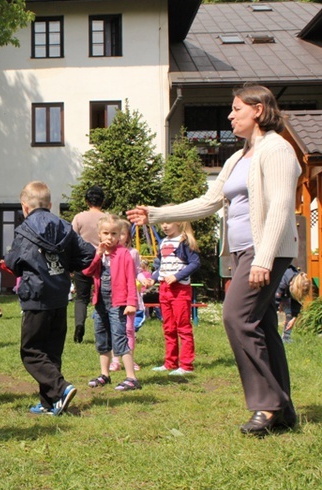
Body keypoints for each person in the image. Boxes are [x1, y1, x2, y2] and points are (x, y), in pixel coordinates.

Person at [128, 84, 301, 436]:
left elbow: (282, 206)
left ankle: (267, 405)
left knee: (236, 317)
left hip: (264, 250)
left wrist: (263, 259)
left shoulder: (277, 149)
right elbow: (209, 202)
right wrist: (157, 214)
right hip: (241, 253)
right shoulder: (238, 158)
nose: (230, 115)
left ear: (258, 110)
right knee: (263, 325)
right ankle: (283, 411)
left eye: (236, 109)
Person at [4, 181, 95, 416]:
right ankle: (50, 403)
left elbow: (12, 263)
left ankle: (61, 389)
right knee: (52, 351)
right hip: (60, 296)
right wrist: (67, 267)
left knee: (31, 351)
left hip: (36, 296)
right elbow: (88, 253)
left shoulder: (24, 230)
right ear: (50, 204)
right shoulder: (65, 226)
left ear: (24, 207)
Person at [83, 215, 140, 391]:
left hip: (118, 302)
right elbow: (88, 272)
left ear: (120, 235)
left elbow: (130, 279)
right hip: (101, 302)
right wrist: (98, 255)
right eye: (106, 233)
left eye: (114, 233)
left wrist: (131, 303)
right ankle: (104, 374)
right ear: (99, 234)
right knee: (102, 338)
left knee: (119, 338)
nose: (110, 237)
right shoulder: (99, 253)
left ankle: (131, 377)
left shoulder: (124, 254)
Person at [147, 219, 200, 376]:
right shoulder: (163, 242)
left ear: (179, 222)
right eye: (162, 222)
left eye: (168, 222)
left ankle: (186, 366)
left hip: (180, 289)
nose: (164, 225)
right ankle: (170, 363)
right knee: (168, 327)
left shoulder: (184, 241)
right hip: (164, 289)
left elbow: (195, 263)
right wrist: (154, 278)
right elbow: (161, 266)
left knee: (183, 327)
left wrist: (177, 276)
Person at [71, 186, 107, 343]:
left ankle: (79, 324)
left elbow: (71, 240)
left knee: (81, 298)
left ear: (86, 201)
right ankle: (105, 327)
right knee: (103, 296)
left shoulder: (79, 218)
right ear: (103, 201)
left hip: (83, 262)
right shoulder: (107, 218)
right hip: (104, 261)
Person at [109, 220, 144, 373]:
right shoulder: (109, 253)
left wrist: (144, 279)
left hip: (129, 298)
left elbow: (138, 271)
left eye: (123, 233)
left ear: (128, 236)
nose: (120, 237)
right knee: (115, 330)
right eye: (118, 233)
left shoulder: (133, 253)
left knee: (129, 330)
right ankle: (115, 360)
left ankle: (130, 358)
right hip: (114, 298)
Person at [274, 266, 312, 344]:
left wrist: (294, 318)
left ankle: (286, 338)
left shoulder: (297, 281)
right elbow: (275, 301)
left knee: (290, 314)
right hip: (272, 290)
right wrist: (278, 306)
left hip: (285, 292)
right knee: (270, 313)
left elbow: (297, 301)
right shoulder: (283, 282)